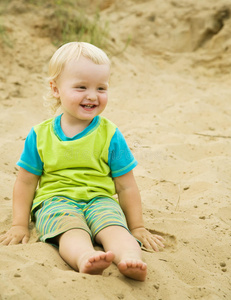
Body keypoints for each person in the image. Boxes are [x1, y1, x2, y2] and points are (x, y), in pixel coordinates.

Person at [0, 42, 165, 281]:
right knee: (71, 231)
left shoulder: (110, 134)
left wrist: (137, 226)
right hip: (55, 201)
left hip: (99, 199)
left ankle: (131, 258)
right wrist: (19, 224)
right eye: (81, 87)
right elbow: (25, 182)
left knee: (114, 228)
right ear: (55, 89)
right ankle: (85, 257)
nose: (92, 95)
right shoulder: (39, 135)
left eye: (101, 88)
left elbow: (126, 185)